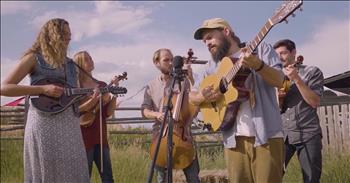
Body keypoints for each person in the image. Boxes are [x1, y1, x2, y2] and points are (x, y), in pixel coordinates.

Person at [190, 18, 285, 183]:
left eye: (210, 37)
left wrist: (258, 65)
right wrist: (202, 97)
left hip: (267, 135)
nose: (207, 43)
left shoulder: (260, 50)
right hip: (233, 141)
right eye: (204, 41)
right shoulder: (210, 67)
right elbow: (192, 97)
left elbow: (280, 81)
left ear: (226, 32)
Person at [0, 18, 89, 182]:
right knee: (47, 172)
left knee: (73, 171)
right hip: (43, 124)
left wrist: (89, 95)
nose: (69, 38)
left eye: (70, 34)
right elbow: (4, 87)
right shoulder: (34, 58)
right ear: (52, 35)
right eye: (64, 34)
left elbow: (70, 97)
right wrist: (42, 89)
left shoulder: (71, 65)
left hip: (70, 124)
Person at [141, 48, 200, 183]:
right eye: (166, 60)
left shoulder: (183, 81)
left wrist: (190, 79)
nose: (170, 63)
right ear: (156, 63)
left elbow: (195, 103)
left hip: (184, 135)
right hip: (160, 137)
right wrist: (157, 114)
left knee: (193, 178)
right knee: (162, 179)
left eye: (172, 59)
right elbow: (144, 110)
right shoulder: (151, 86)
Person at [274, 39, 324, 183]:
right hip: (283, 135)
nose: (280, 57)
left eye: (283, 53)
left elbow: (314, 101)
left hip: (308, 133)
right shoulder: (277, 77)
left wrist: (296, 78)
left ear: (294, 53)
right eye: (277, 54)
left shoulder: (312, 72)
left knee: (311, 179)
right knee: (273, 176)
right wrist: (279, 99)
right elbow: (276, 110)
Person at [73, 51, 117, 183]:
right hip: (82, 138)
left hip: (100, 136)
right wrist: (92, 101)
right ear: (79, 64)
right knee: (85, 177)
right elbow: (76, 111)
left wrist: (114, 94)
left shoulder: (102, 85)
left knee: (108, 177)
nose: (91, 60)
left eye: (91, 58)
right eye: (86, 59)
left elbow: (107, 113)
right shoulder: (75, 87)